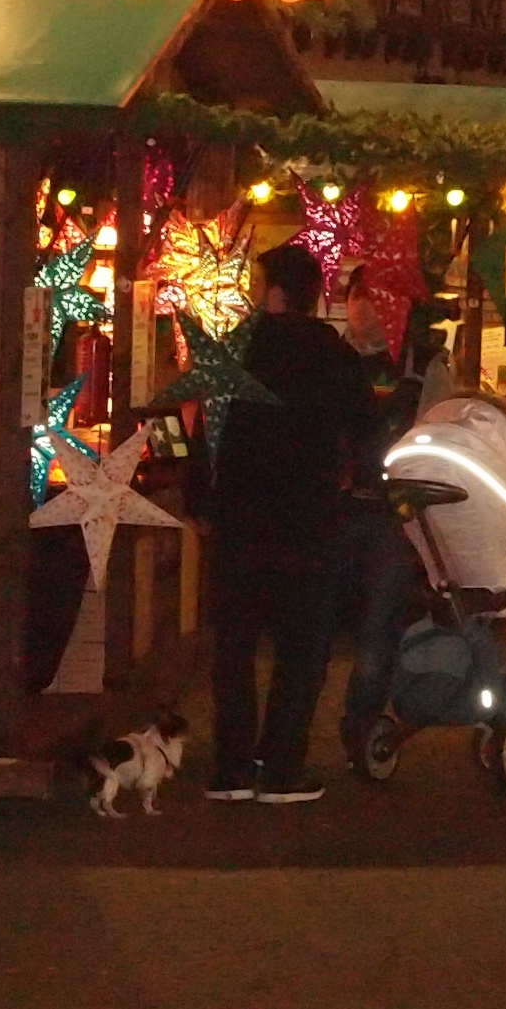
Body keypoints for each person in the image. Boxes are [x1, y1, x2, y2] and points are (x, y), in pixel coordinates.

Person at [198, 244, 381, 803]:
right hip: (307, 519)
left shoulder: (234, 348)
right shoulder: (334, 355)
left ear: (272, 290)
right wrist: (362, 480)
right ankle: (281, 766)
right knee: (301, 648)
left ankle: (232, 768)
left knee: (234, 645)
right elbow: (369, 432)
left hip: (237, 516)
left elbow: (203, 430)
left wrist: (202, 501)